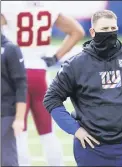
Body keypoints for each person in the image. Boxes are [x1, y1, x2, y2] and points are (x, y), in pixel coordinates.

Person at [43, 9, 122, 166]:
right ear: (92, 32)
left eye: (113, 29)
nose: (110, 33)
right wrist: (75, 129)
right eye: (105, 29)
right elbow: (51, 98)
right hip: (91, 147)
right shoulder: (76, 65)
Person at [1, 1, 85, 166]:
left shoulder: (11, 5)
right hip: (40, 73)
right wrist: (55, 57)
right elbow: (78, 31)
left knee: (19, 131)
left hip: (16, 74)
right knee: (47, 131)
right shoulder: (48, 5)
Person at [1, 34, 27, 166]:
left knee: (7, 160)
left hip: (5, 113)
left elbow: (21, 84)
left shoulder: (10, 49)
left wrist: (19, 118)